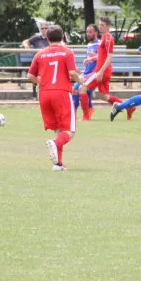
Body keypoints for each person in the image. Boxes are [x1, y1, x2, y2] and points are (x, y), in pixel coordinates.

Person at [27, 25, 83, 171]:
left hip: (44, 94)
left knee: (58, 129)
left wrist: (42, 80)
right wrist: (81, 80)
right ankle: (55, 143)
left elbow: (30, 76)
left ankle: (58, 164)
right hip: (61, 92)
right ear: (63, 36)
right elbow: (72, 72)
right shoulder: (67, 52)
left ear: (47, 38)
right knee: (70, 130)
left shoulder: (40, 54)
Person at [79, 16, 136, 120]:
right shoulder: (104, 38)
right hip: (103, 71)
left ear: (108, 26)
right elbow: (103, 55)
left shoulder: (108, 38)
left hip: (101, 71)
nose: (100, 27)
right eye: (99, 24)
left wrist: (100, 72)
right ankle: (128, 106)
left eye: (102, 25)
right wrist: (92, 59)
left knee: (82, 88)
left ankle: (86, 116)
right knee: (104, 96)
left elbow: (110, 56)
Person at [72, 24, 100, 120]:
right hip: (86, 73)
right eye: (87, 32)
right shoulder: (89, 45)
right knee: (77, 90)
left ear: (96, 32)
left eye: (90, 32)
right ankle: (86, 109)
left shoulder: (100, 44)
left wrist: (95, 56)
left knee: (78, 89)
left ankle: (81, 114)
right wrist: (84, 70)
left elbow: (104, 59)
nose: (88, 34)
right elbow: (90, 61)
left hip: (94, 74)